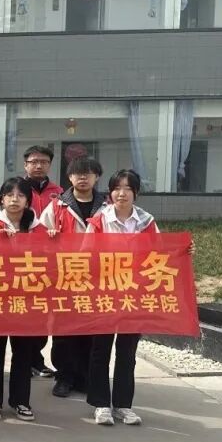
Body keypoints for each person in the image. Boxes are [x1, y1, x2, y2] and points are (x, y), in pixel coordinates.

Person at [84, 170, 164, 427]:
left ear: (135, 193)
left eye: (128, 188)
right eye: (117, 188)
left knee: (127, 351)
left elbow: (160, 253)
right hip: (105, 293)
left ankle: (122, 405)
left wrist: (185, 250)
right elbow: (84, 254)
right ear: (110, 193)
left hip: (134, 294)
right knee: (100, 349)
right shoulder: (99, 220)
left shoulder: (147, 221)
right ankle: (100, 404)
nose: (122, 193)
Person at [0, 177, 45, 422]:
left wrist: (53, 238)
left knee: (24, 352)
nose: (15, 200)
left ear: (28, 201)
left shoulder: (37, 228)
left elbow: (49, 257)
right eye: (9, 195)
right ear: (1, 199)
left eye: (20, 195)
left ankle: (21, 401)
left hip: (26, 298)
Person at [41, 155, 108, 399]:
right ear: (69, 177)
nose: (83, 178)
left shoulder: (107, 207)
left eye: (88, 173)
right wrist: (48, 237)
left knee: (90, 329)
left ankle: (84, 377)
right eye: (78, 173)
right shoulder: (57, 206)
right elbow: (39, 236)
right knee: (64, 329)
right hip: (65, 275)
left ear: (96, 177)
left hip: (97, 276)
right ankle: (64, 377)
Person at [22, 145, 64, 379]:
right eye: (34, 161)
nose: (38, 166)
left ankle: (36, 360)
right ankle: (24, 359)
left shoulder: (60, 193)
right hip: (21, 261)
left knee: (42, 312)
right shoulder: (16, 189)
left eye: (44, 162)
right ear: (25, 165)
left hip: (49, 261)